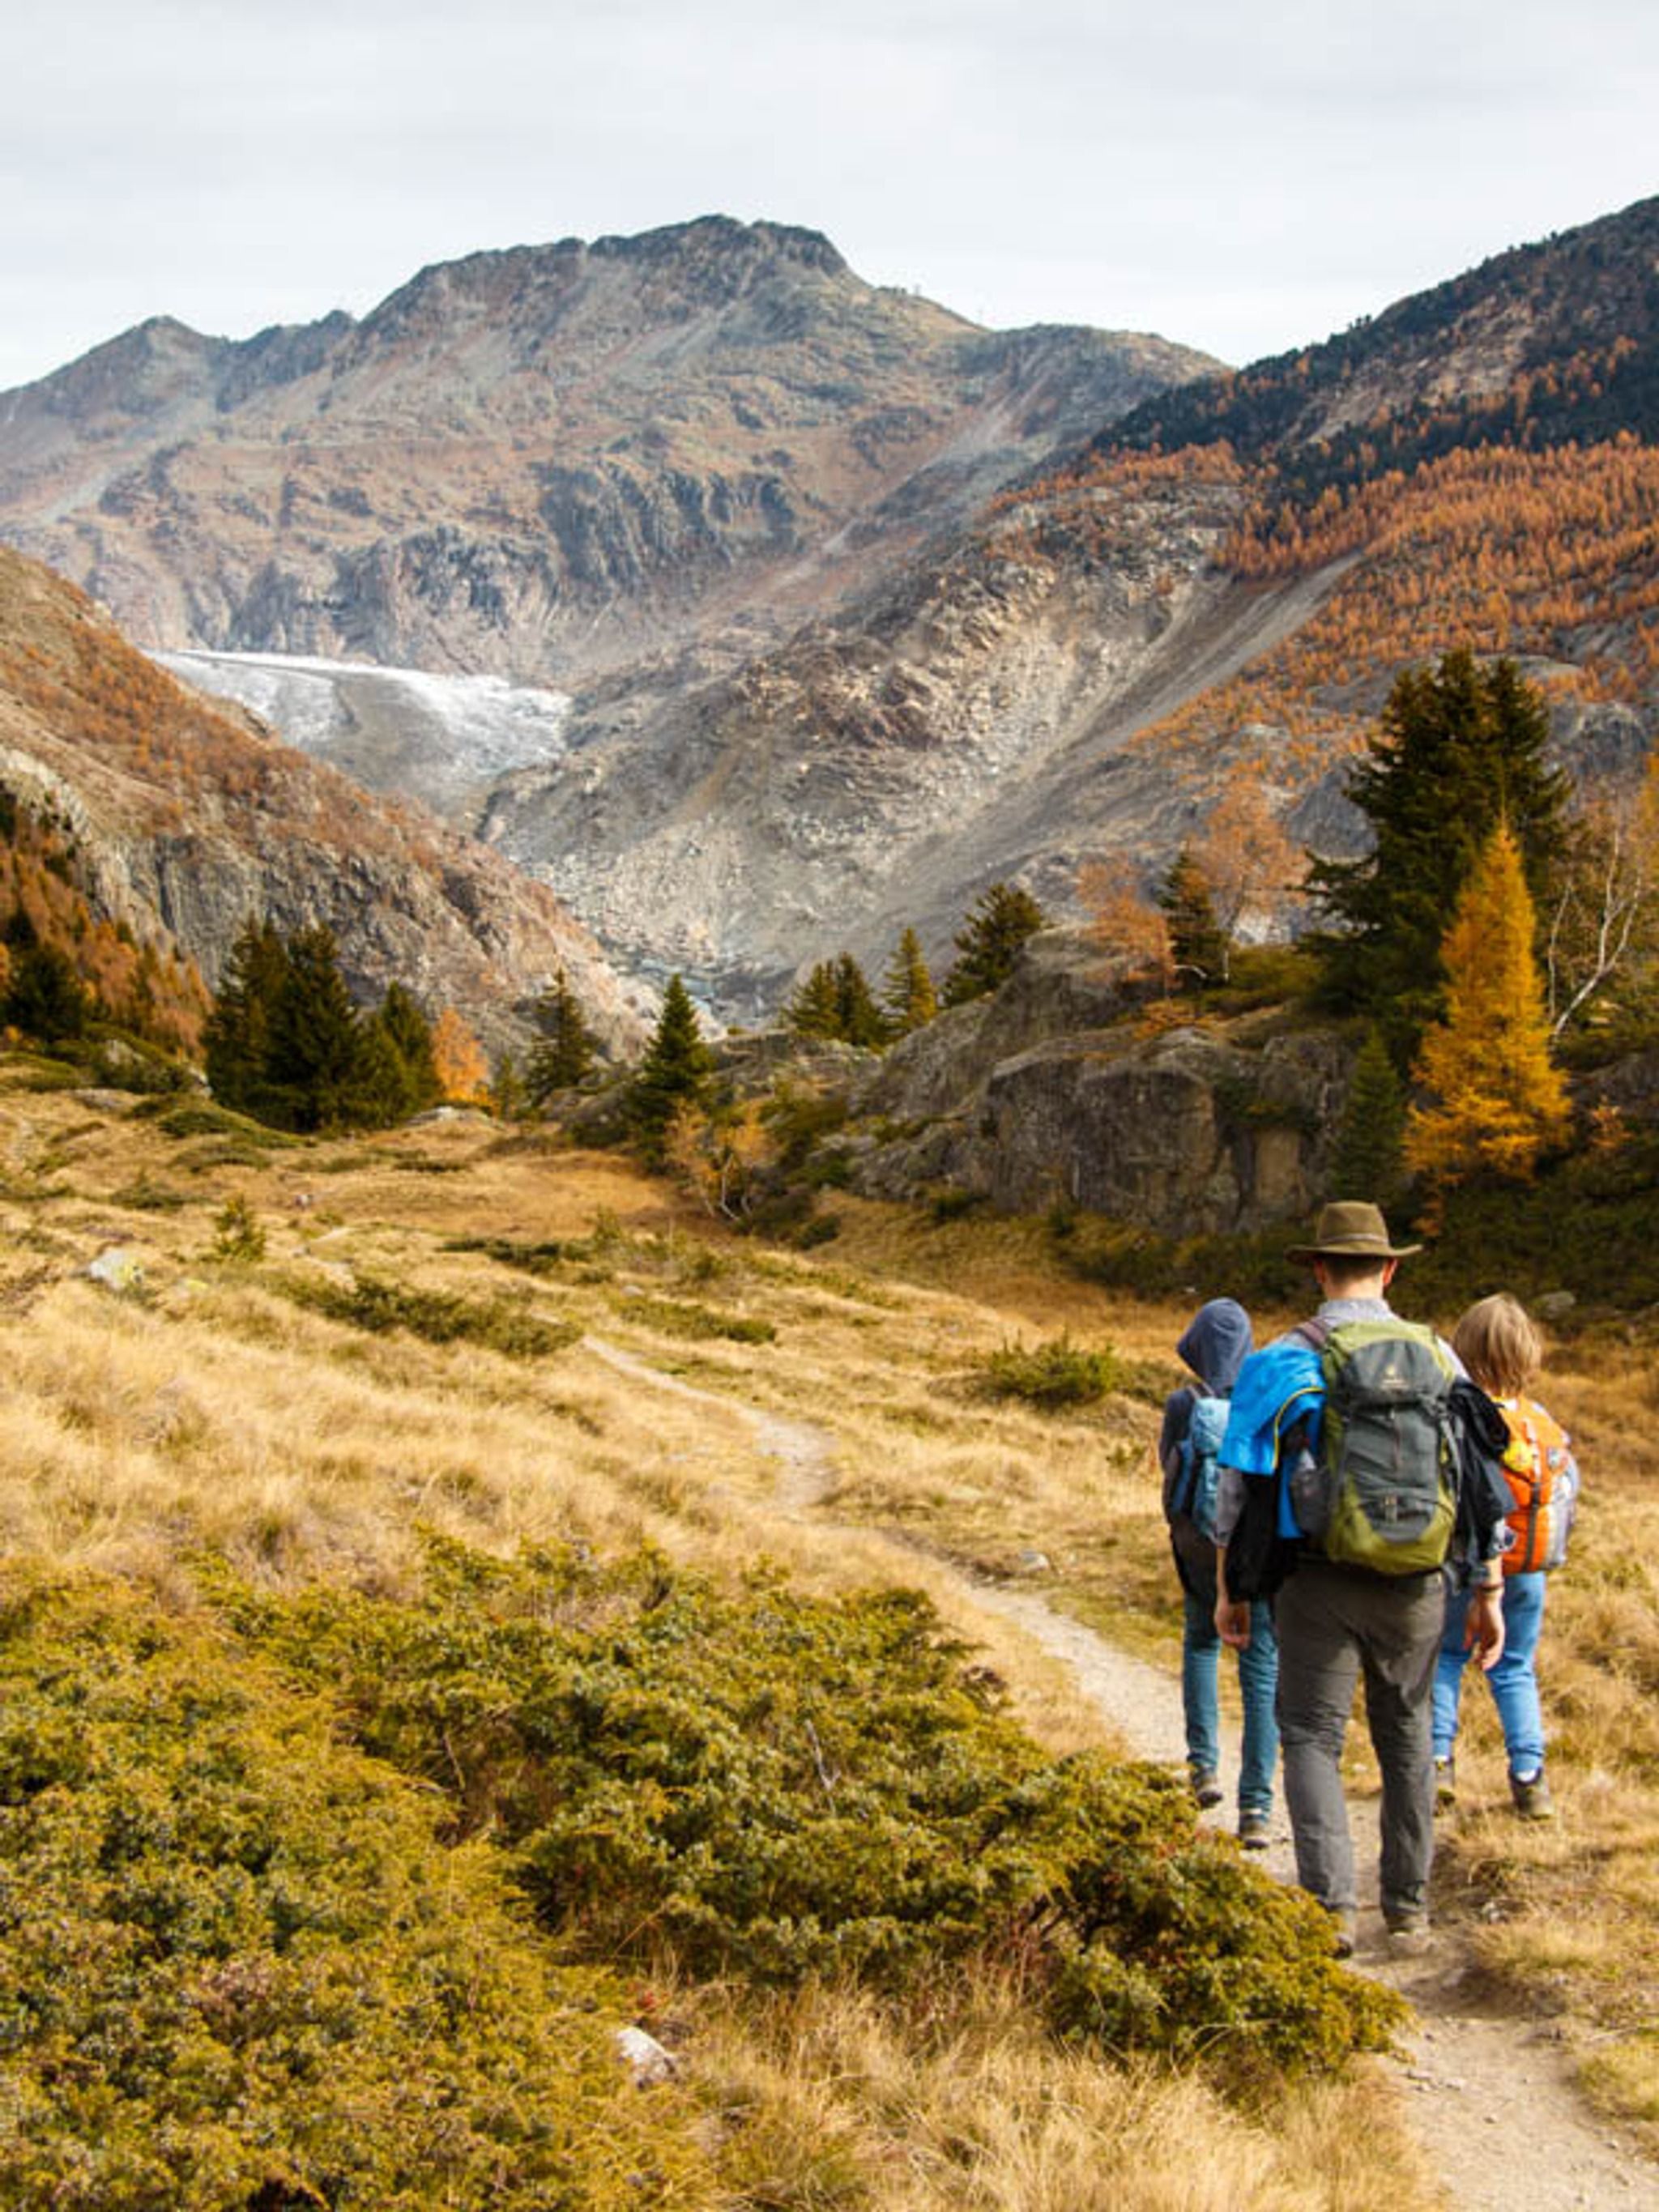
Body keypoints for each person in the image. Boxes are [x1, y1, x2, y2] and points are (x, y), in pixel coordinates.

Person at [1212, 1201, 1508, 1955]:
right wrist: (1489, 1587)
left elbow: (1236, 1488)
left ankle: (1331, 1908)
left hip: (1316, 1578)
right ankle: (1407, 1909)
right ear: (1391, 1267)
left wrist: (1229, 1587)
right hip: (1419, 1581)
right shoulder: (1440, 1355)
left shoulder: (1282, 1359)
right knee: (1405, 1734)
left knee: (1309, 1733)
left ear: (1317, 1267)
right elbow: (1480, 1479)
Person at [1433, 1294, 1579, 1821]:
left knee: (1446, 1657)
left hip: (1464, 1562)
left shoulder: (1463, 1414)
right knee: (1516, 1667)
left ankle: (1438, 1761)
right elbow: (1568, 1490)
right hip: (1528, 1568)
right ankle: (1529, 1776)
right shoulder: (1543, 1424)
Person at [1157, 1298, 1277, 1848]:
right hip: (1255, 1553)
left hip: (1199, 1552)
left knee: (1201, 1644)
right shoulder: (1265, 1397)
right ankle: (1256, 1806)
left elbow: (1168, 1471)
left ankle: (1202, 1768)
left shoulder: (1183, 1403)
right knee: (1261, 1670)